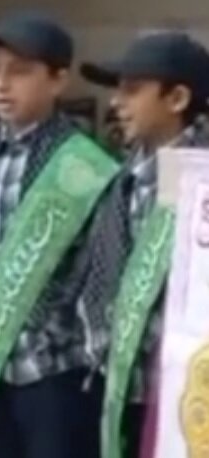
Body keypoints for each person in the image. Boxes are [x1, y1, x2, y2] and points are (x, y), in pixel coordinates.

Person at [0, 14, 114, 458]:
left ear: (58, 80)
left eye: (20, 71)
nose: (2, 84)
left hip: (55, 370)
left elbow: (98, 274)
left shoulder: (83, 168)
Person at [75, 32, 209, 458]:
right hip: (126, 387)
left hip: (186, 394)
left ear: (177, 98)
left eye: (133, 90)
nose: (117, 102)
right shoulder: (126, 176)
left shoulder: (202, 180)